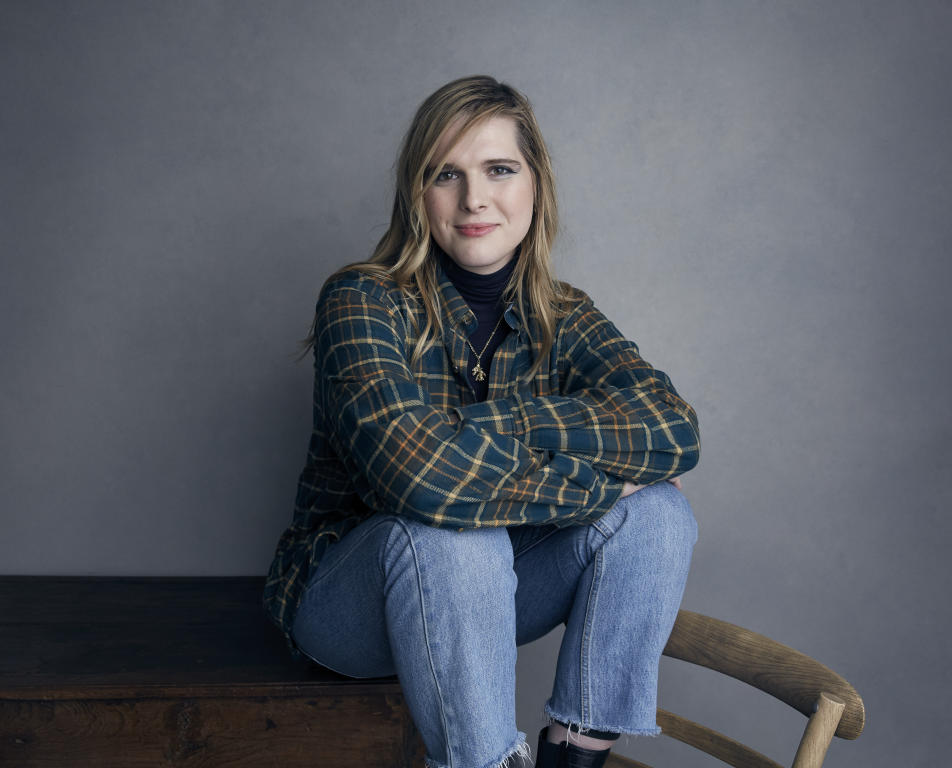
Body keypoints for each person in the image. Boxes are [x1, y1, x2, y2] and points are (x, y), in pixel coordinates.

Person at [263, 75, 700, 768]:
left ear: (535, 185)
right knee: (452, 533)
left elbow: (672, 431)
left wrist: (502, 424)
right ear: (418, 193)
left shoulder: (566, 313)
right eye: (447, 175)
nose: (475, 199)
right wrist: (587, 485)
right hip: (348, 608)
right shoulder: (361, 300)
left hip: (489, 595)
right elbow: (417, 477)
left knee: (658, 514)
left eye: (499, 169)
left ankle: (574, 754)